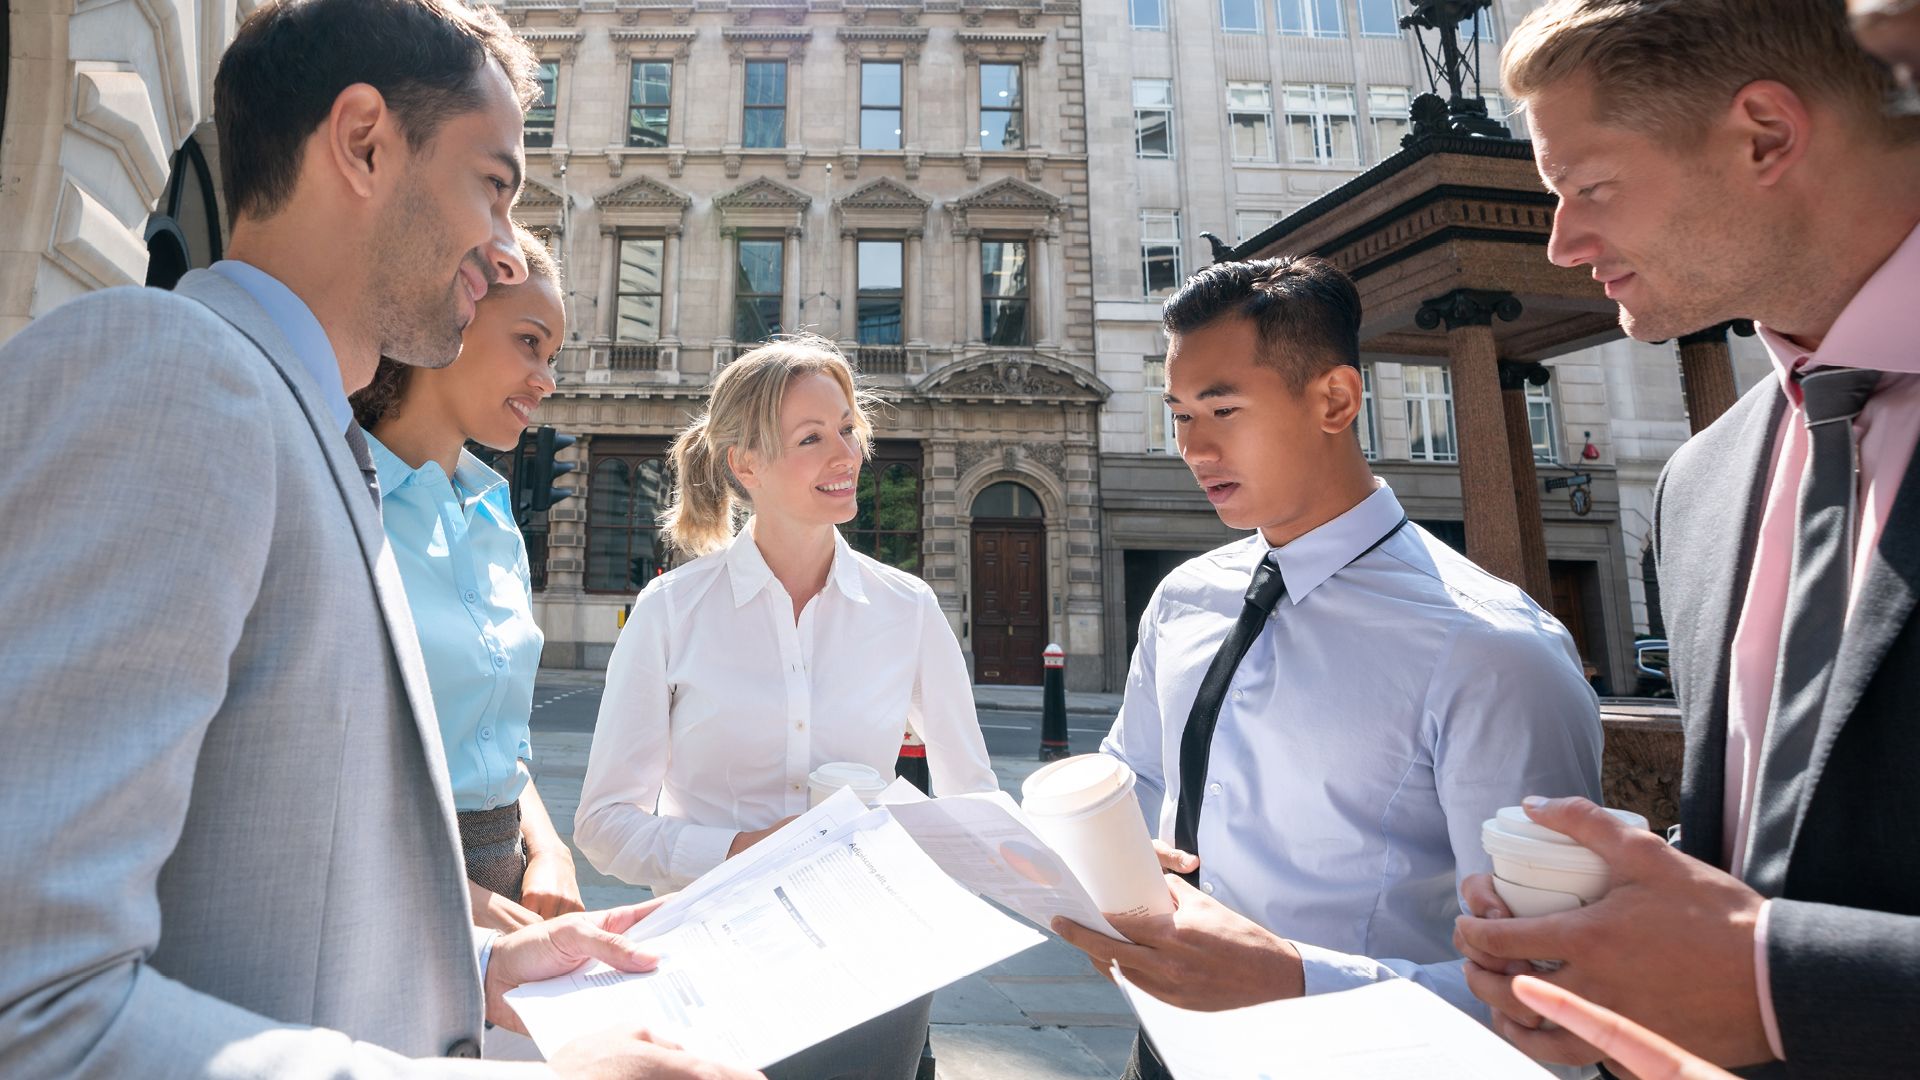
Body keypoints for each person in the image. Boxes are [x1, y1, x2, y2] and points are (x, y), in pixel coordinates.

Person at [0, 0, 756, 1075]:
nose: (503, 254)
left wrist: (480, 957)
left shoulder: (311, 431)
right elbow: (34, 1005)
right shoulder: (168, 375)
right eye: (494, 188)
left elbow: (264, 867)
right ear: (363, 143)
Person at [1453, 2, 1920, 1076]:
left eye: (1589, 188)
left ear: (1764, 134)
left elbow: (1766, 959)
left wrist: (1778, 985)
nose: (1564, 242)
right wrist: (1611, 947)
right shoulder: (1698, 489)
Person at [1049, 257, 1602, 1080]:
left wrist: (1296, 983)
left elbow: (1553, 996)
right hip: (1160, 1053)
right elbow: (1138, 786)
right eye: (1179, 414)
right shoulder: (1184, 602)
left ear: (1335, 401)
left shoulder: (1490, 651)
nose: (1194, 448)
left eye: (1224, 409)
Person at [576, 335, 999, 1080]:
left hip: (870, 973)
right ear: (746, 464)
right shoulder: (672, 611)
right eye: (811, 438)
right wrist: (743, 849)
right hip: (708, 970)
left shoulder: (907, 609)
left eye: (847, 429)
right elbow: (605, 828)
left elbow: (975, 805)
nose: (846, 455)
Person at [349, 224, 583, 932]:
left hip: (508, 883)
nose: (547, 379)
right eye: (529, 342)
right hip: (387, 892)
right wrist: (468, 908)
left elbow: (493, 741)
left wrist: (550, 848)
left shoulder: (493, 516)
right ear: (453, 309)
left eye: (554, 356)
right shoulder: (340, 498)